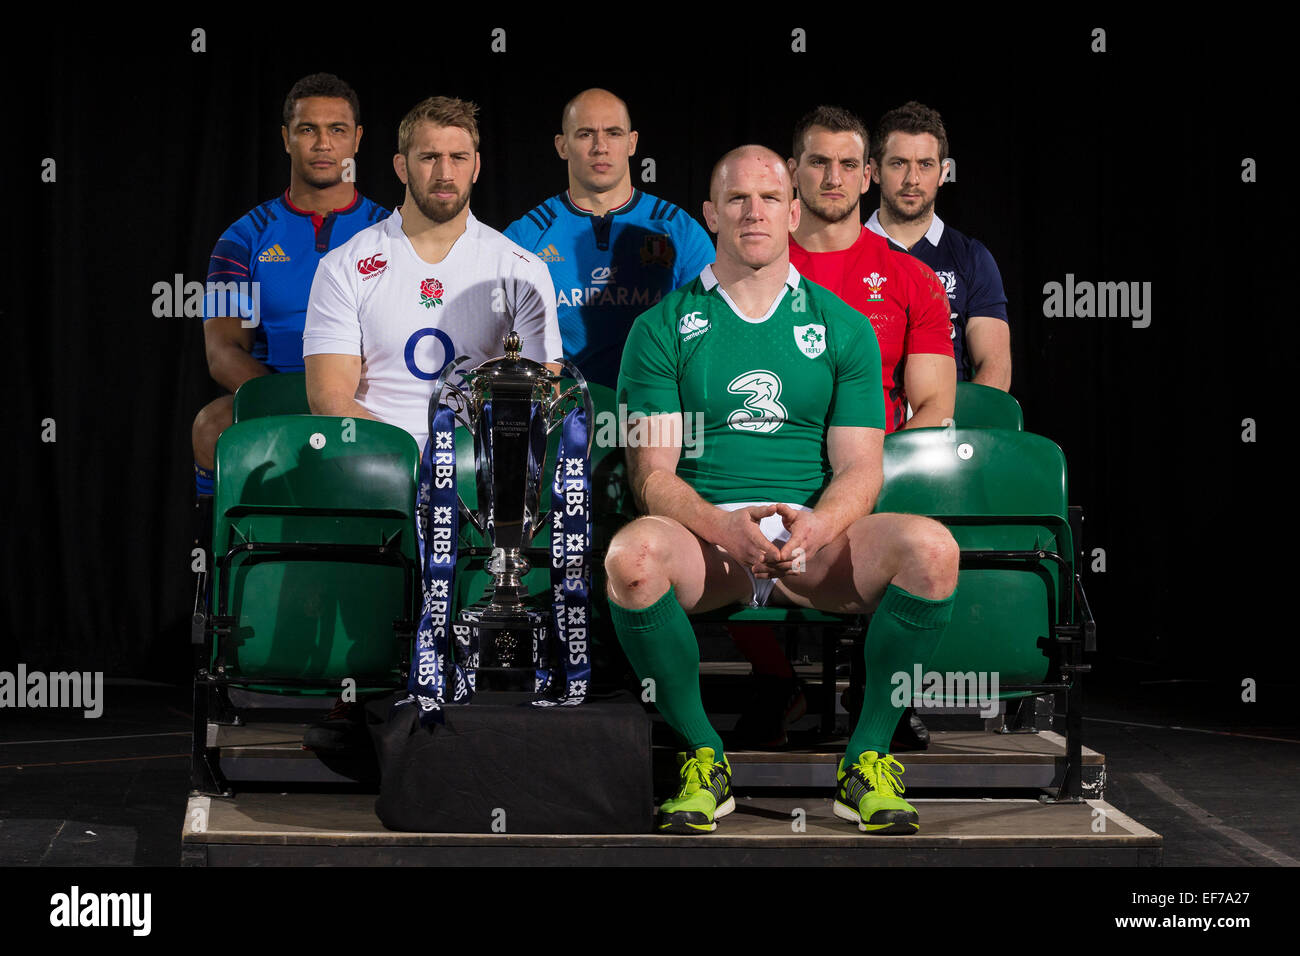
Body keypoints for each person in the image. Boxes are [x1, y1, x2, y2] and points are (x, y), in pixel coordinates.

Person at [608, 146, 959, 835]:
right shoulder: (660, 329)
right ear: (710, 213)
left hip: (812, 538)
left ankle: (866, 760)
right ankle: (705, 755)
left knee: (933, 551)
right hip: (710, 544)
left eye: (770, 198)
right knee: (631, 558)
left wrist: (818, 528)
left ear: (794, 212)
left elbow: (862, 468)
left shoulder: (842, 325)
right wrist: (723, 528)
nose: (754, 212)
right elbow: (652, 477)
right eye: (737, 199)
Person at [303, 95, 561, 453]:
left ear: (476, 166)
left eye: (458, 158)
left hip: (481, 469)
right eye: (429, 157)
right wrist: (412, 460)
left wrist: (467, 466)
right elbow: (330, 399)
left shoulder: (523, 270)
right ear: (401, 166)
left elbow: (537, 399)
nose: (444, 173)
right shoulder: (342, 266)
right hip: (375, 460)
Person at [191, 73, 387, 496]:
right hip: (276, 394)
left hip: (369, 400)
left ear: (357, 139)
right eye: (307, 129)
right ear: (285, 138)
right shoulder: (242, 239)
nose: (322, 144)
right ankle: (217, 558)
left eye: (337, 130)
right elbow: (222, 351)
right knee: (212, 426)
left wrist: (339, 402)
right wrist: (300, 401)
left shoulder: (392, 233)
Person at [503, 88, 714, 388]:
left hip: (657, 415)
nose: (600, 147)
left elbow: (706, 342)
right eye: (585, 134)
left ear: (632, 142)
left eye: (613, 133)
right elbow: (499, 343)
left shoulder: (681, 232)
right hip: (560, 421)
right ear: (562, 146)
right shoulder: (525, 237)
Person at [867, 101, 1011, 389]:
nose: (912, 179)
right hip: (867, 423)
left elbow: (995, 366)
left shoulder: (972, 258)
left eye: (925, 164)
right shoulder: (848, 253)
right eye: (898, 163)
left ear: (944, 172)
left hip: (948, 425)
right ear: (874, 171)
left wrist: (953, 429)